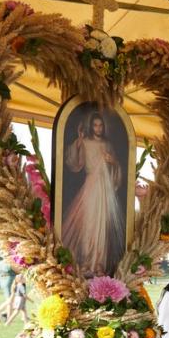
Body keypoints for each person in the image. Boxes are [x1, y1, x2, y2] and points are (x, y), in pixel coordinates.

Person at [63, 110, 125, 277]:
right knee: (89, 225)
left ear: (103, 127)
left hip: (105, 189)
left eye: (100, 125)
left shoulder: (107, 145)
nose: (98, 128)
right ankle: (86, 263)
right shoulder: (85, 142)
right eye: (95, 125)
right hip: (91, 186)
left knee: (102, 226)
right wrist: (79, 140)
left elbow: (115, 168)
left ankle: (99, 264)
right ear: (91, 127)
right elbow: (74, 162)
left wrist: (113, 162)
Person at [0, 254, 16, 322]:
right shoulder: (10, 263)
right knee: (10, 300)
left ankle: (5, 314)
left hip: (2, 282)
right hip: (10, 282)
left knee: (11, 300)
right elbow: (18, 271)